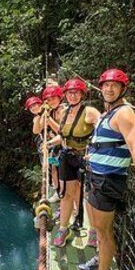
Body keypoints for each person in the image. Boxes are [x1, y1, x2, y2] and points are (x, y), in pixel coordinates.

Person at [77, 68, 135, 270]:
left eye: (114, 85)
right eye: (105, 85)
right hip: (96, 177)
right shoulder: (108, 114)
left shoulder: (124, 114)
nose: (109, 89)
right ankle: (101, 258)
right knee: (99, 229)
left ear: (122, 89)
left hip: (108, 181)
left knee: (104, 231)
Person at [46, 78, 100, 248]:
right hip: (67, 157)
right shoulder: (64, 113)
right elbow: (63, 136)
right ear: (65, 95)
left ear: (82, 94)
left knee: (87, 196)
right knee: (67, 194)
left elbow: (103, 131)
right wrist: (49, 143)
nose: (73, 96)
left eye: (76, 93)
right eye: (70, 93)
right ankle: (63, 228)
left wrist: (96, 151)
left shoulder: (90, 112)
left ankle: (93, 232)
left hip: (84, 158)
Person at [40, 84, 64, 201]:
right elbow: (37, 129)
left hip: (64, 146)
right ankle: (57, 191)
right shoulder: (52, 111)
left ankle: (62, 193)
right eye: (48, 99)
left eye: (54, 98)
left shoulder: (63, 111)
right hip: (56, 147)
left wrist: (48, 119)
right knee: (54, 167)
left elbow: (63, 132)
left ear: (60, 97)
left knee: (62, 171)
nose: (51, 101)